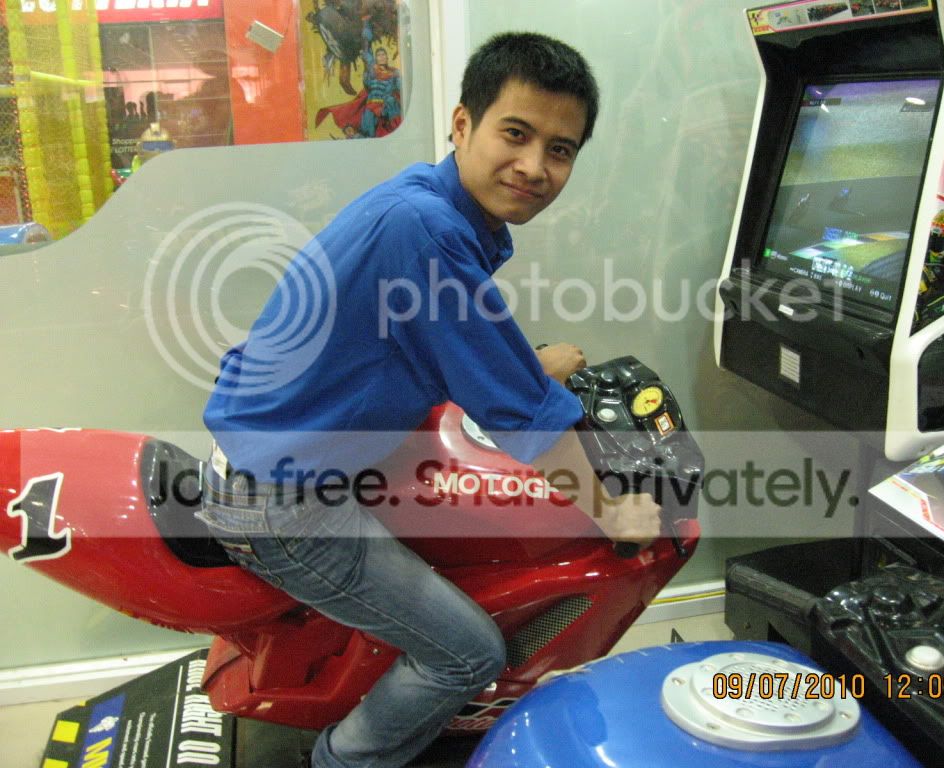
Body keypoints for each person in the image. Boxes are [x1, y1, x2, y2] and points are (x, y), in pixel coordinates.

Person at [199, 32, 660, 768]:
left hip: (270, 454)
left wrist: (527, 366)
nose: (534, 166)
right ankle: (343, 761)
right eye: (516, 133)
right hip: (284, 504)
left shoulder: (421, 201)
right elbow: (523, 419)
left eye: (560, 149)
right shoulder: (429, 230)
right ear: (462, 125)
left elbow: (423, 339)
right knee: (469, 652)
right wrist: (615, 511)